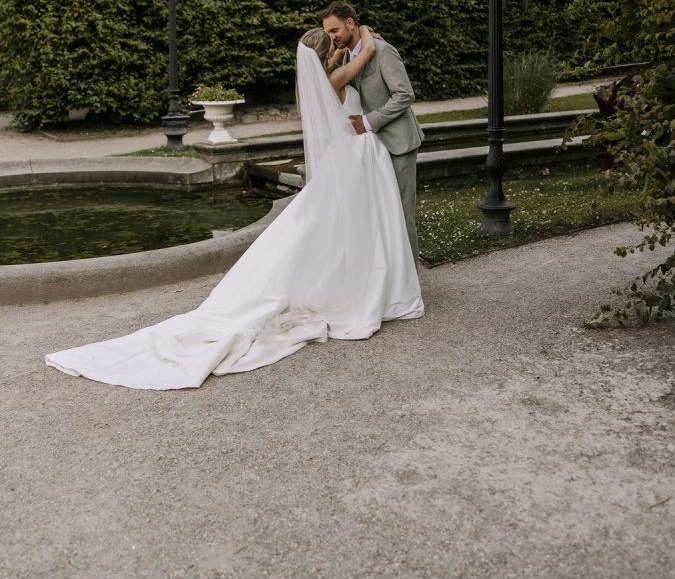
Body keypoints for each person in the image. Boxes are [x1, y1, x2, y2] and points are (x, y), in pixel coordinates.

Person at [45, 25, 424, 390]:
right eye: (333, 43)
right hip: (355, 157)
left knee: (345, 227)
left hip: (352, 160)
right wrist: (368, 38)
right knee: (358, 226)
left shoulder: (323, 81)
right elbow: (368, 53)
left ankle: (364, 279)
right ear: (329, 55)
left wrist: (344, 47)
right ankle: (366, 285)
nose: (339, 43)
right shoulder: (338, 78)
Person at [321, 2, 424, 265]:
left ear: (351, 24)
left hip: (398, 143)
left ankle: (411, 282)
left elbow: (405, 95)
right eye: (328, 32)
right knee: (380, 217)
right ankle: (390, 279)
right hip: (370, 150)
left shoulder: (382, 51)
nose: (332, 36)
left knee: (401, 215)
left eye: (334, 29)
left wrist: (367, 122)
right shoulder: (344, 58)